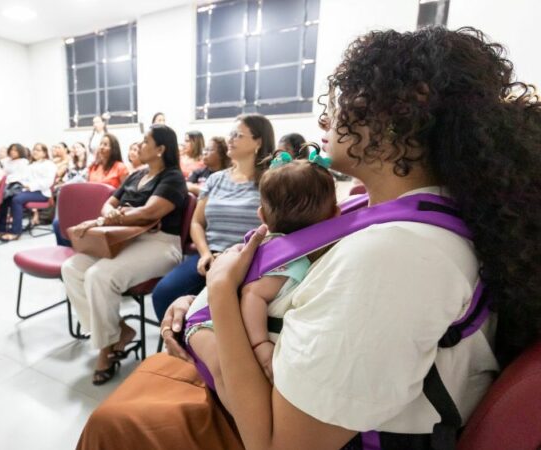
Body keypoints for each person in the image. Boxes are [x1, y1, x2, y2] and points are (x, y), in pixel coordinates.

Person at [77, 27, 541, 450]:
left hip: (284, 424)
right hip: (274, 373)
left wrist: (218, 294)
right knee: (122, 411)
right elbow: (300, 285)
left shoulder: (397, 254)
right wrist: (201, 304)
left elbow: (279, 443)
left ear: (400, 113)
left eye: (346, 97)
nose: (327, 118)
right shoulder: (377, 209)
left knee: (114, 423)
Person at [185, 155, 338, 403]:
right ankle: (239, 421)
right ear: (336, 214)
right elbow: (253, 294)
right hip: (206, 323)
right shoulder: (291, 257)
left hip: (208, 315)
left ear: (262, 216)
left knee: (230, 377)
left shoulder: (277, 245)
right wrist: (259, 345)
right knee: (228, 379)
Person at [62, 124, 188, 386]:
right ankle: (118, 331)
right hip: (123, 238)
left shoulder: (172, 177)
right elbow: (110, 201)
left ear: (161, 149)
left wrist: (114, 216)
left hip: (160, 244)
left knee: (99, 275)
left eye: (145, 141)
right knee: (72, 268)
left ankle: (106, 350)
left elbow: (151, 212)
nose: (140, 146)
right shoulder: (136, 175)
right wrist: (110, 212)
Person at [151, 116, 272, 320]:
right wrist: (205, 254)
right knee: (164, 293)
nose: (230, 139)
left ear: (258, 142)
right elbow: (197, 223)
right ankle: (183, 344)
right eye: (230, 134)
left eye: (238, 135)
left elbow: (275, 227)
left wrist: (237, 258)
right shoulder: (216, 179)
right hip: (211, 255)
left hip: (250, 260)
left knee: (222, 307)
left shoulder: (270, 180)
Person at [0, 143, 56, 240]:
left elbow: (48, 182)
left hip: (41, 193)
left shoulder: (49, 164)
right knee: (6, 196)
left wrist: (30, 186)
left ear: (44, 153)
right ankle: (1, 229)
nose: (35, 151)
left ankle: (15, 232)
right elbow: (23, 177)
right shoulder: (30, 164)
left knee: (17, 199)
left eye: (38, 150)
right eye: (34, 149)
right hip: (27, 190)